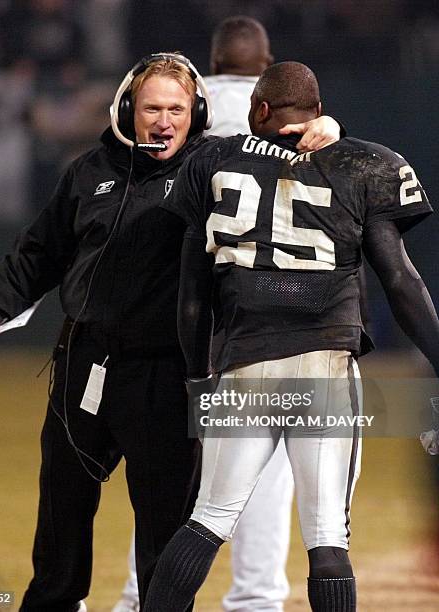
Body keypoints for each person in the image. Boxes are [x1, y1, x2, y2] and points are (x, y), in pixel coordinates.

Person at [0, 53, 341, 612]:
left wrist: (325, 130)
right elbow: (39, 251)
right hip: (84, 363)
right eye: (152, 108)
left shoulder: (215, 170)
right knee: (61, 515)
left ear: (197, 114)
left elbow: (287, 161)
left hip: (166, 375)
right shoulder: (88, 171)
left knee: (165, 527)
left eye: (176, 109)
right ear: (126, 109)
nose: (163, 120)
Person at [142, 61, 439, 612]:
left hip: (242, 362)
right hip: (323, 363)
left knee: (207, 518)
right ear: (319, 113)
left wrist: (195, 377)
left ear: (259, 111)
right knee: (327, 535)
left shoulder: (211, 162)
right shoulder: (362, 165)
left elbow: (191, 295)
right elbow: (399, 279)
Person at [112, 17, 293, 612]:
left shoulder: (189, 106)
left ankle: (143, 595)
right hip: (267, 316)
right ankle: (257, 598)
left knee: (171, 472)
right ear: (265, 63)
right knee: (265, 467)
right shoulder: (290, 116)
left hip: (183, 314)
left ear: (212, 60)